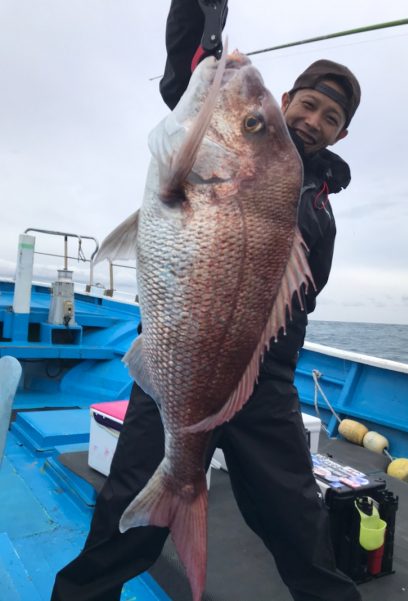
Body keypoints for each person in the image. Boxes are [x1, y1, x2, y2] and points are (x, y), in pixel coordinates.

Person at [51, 1, 362, 600]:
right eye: (307, 104)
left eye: (331, 117)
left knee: (299, 522)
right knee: (122, 516)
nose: (315, 120)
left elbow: (307, 293)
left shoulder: (320, 207)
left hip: (266, 380)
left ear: (341, 133)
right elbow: (184, 76)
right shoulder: (229, 150)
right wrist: (203, 21)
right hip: (177, 361)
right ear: (289, 99)